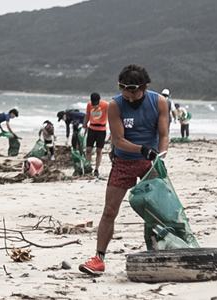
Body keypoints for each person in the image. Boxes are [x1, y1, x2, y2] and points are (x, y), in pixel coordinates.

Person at [79, 64, 169, 276]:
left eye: (134, 95)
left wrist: (160, 157)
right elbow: (118, 141)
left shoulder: (159, 102)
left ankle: (162, 252)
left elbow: (164, 135)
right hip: (124, 162)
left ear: (144, 88)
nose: (130, 99)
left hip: (151, 163)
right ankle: (99, 259)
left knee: (158, 212)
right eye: (125, 95)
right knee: (110, 210)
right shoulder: (115, 105)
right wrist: (141, 149)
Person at [83, 93, 109, 177]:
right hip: (91, 128)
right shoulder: (89, 104)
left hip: (101, 129)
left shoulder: (106, 105)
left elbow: (113, 115)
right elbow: (87, 115)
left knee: (99, 150)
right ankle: (87, 167)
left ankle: (96, 169)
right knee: (88, 149)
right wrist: (84, 127)